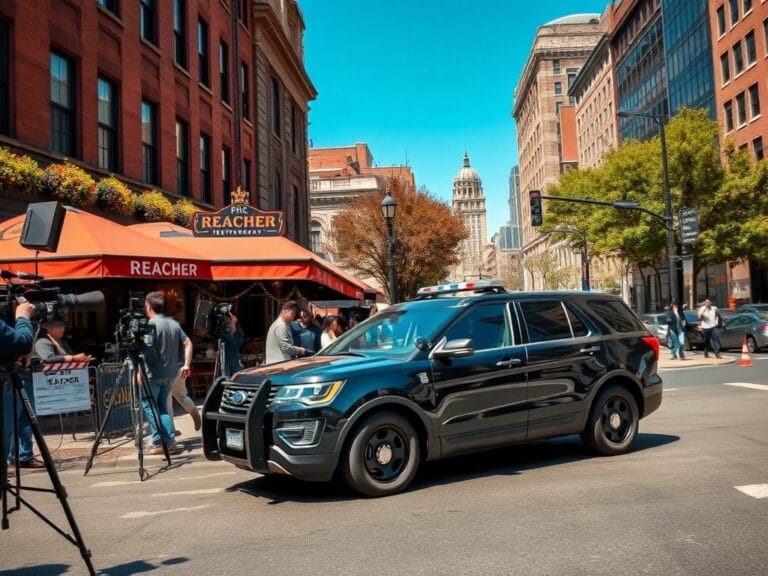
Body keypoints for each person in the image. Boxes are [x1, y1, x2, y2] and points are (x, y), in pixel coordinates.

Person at [141, 291, 193, 455]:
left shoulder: (150, 325)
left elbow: (149, 352)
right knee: (162, 407)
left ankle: (159, 441)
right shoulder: (173, 324)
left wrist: (141, 368)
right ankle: (169, 440)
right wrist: (186, 364)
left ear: (149, 305)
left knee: (148, 405)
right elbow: (187, 342)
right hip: (171, 373)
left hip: (153, 373)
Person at [2, 300, 41, 470]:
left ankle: (25, 456)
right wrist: (23, 317)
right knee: (7, 424)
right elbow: (21, 343)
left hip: (21, 377)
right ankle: (7, 460)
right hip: (9, 382)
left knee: (24, 421)